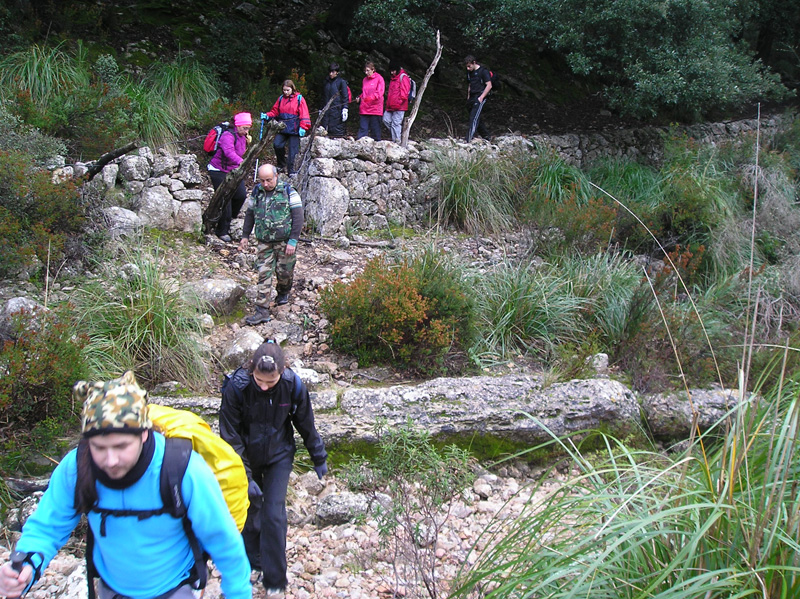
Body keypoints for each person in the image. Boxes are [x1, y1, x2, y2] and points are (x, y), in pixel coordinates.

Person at [0, 371, 251, 599]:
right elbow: (48, 525)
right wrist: (27, 564)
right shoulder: (78, 466)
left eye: (121, 446)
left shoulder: (182, 468)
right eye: (99, 447)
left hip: (176, 588)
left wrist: (238, 593)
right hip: (111, 589)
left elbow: (223, 539)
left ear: (144, 433)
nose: (110, 460)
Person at [219, 341, 328, 599]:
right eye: (259, 380)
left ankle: (275, 581)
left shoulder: (293, 386)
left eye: (271, 381)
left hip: (279, 453)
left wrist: (318, 457)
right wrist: (245, 477)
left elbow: (305, 423)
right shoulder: (236, 387)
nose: (264, 386)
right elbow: (230, 436)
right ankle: (253, 562)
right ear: (251, 371)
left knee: (274, 513)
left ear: (282, 371)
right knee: (250, 508)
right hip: (244, 455)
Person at [238, 164, 303, 326]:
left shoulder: (289, 192)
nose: (265, 184)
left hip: (285, 242)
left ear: (276, 176)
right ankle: (262, 310)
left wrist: (293, 241)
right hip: (264, 242)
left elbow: (298, 217)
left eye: (269, 180)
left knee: (285, 273)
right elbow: (250, 214)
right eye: (262, 180)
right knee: (263, 273)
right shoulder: (256, 192)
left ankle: (283, 293)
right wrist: (245, 236)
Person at [207, 111, 252, 242]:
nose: (246, 130)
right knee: (225, 198)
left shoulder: (243, 137)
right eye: (244, 128)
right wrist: (243, 163)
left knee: (240, 195)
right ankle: (222, 230)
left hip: (233, 170)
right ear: (237, 126)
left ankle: (229, 219)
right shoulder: (228, 135)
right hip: (218, 170)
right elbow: (228, 153)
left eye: (248, 128)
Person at [264, 80, 311, 175]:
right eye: (284, 90)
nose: (285, 92)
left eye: (287, 90)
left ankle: (291, 171)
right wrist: (267, 115)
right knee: (277, 145)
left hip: (294, 130)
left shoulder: (299, 99)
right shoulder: (281, 99)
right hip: (282, 128)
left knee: (293, 152)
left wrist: (303, 127)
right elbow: (275, 112)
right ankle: (281, 164)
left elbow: (304, 114)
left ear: (292, 89)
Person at [464, 55, 492, 142]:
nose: (468, 68)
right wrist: (468, 97)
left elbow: (489, 85)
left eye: (469, 66)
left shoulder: (483, 71)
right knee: (476, 117)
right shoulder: (470, 73)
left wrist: (481, 97)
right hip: (472, 96)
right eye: (467, 66)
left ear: (474, 63)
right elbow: (470, 84)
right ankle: (486, 136)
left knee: (474, 117)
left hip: (480, 96)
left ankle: (468, 139)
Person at [383, 60, 411, 143]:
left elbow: (404, 94)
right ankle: (398, 137)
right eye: (391, 71)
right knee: (386, 120)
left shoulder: (403, 77)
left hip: (399, 106)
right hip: (390, 106)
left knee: (396, 124)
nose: (392, 72)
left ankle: (397, 141)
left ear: (397, 69)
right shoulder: (393, 78)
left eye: (393, 70)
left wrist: (398, 103)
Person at [356, 61, 385, 140]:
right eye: (365, 71)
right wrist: (360, 97)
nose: (366, 72)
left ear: (373, 69)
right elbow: (364, 92)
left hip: (375, 109)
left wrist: (370, 98)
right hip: (364, 108)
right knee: (363, 130)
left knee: (375, 132)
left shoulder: (379, 79)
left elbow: (380, 93)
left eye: (368, 70)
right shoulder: (364, 80)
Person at [320, 62, 350, 138]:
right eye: (330, 72)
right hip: (326, 111)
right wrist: (321, 108)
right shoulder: (326, 82)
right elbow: (323, 96)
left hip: (337, 111)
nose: (331, 74)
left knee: (337, 134)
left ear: (337, 72)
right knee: (324, 132)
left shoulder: (341, 82)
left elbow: (345, 97)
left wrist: (345, 108)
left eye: (333, 72)